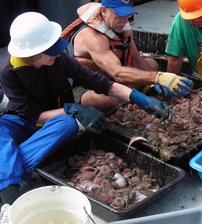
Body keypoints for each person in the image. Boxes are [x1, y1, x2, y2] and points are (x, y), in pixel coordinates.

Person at [0, 12, 172, 205]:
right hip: (24, 121)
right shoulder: (8, 72)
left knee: (68, 125)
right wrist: (75, 109)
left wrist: (140, 99)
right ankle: (10, 195)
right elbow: (33, 116)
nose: (58, 52)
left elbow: (100, 83)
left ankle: (8, 169)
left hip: (56, 122)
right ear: (33, 55)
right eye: (51, 50)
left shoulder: (59, 59)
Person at [61, 0, 193, 98]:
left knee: (152, 65)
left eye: (127, 15)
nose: (124, 20)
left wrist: (155, 83)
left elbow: (136, 58)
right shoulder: (91, 37)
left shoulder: (120, 25)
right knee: (116, 98)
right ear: (104, 11)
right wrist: (157, 78)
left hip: (109, 78)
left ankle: (137, 91)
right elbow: (117, 73)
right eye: (119, 15)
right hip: (84, 87)